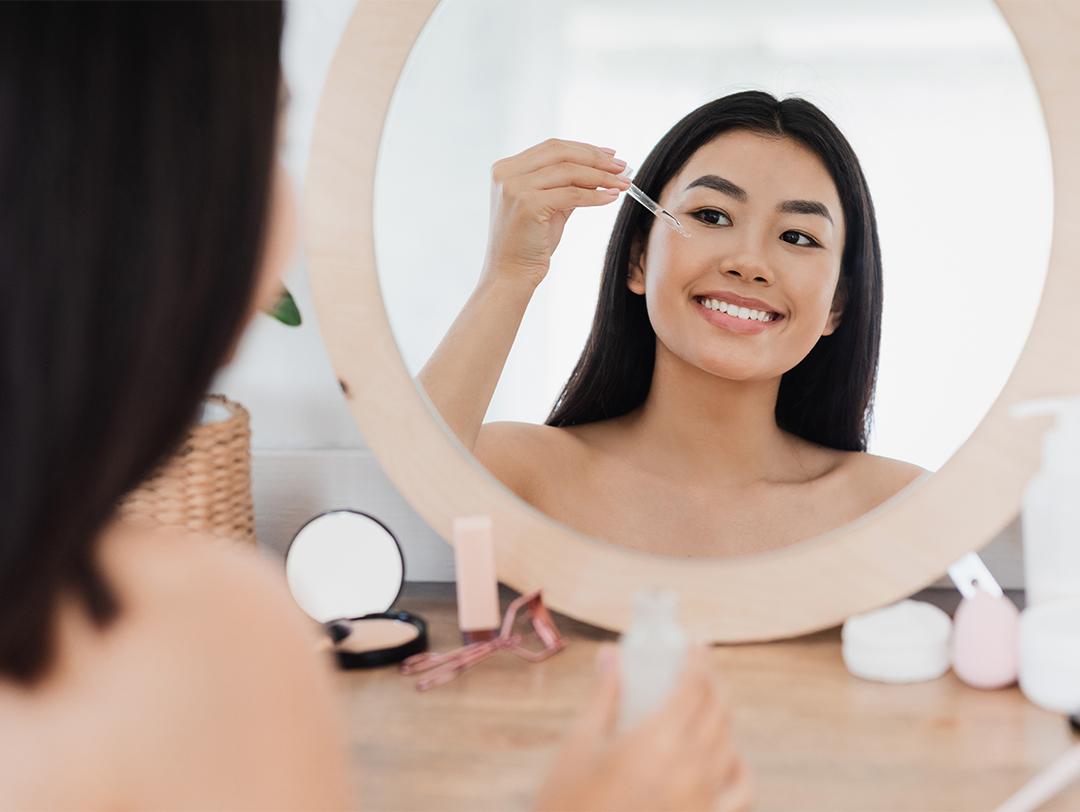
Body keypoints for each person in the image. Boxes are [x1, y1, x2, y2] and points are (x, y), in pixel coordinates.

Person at [0, 3, 749, 809]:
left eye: (801, 237)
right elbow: (423, 465)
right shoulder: (207, 636)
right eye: (272, 147)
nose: (747, 260)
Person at [420, 92, 925, 557]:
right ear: (638, 258)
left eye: (796, 236)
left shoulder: (903, 509)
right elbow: (386, 524)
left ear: (837, 304)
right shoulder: (517, 470)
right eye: (712, 215)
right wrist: (509, 274)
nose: (749, 262)